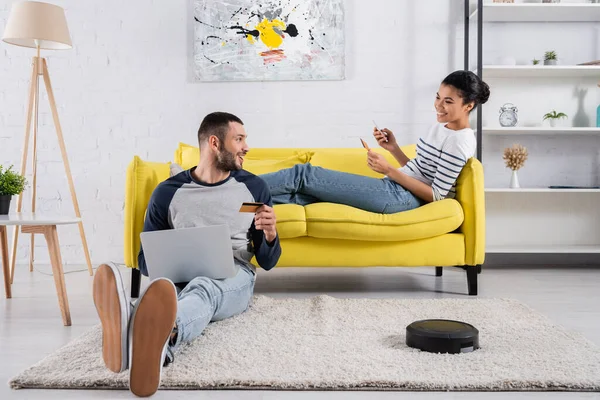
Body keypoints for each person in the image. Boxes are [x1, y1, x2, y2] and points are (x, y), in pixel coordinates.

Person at [92, 112, 281, 397]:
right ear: (215, 143)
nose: (246, 147)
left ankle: (148, 328)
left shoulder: (254, 188)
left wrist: (269, 234)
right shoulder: (167, 192)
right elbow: (146, 261)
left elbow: (267, 261)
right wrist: (170, 261)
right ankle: (149, 341)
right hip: (180, 277)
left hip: (234, 275)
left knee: (204, 287)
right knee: (177, 289)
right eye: (239, 139)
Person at [260, 70, 490, 214]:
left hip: (401, 197)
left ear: (468, 105)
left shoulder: (460, 142)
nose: (438, 106)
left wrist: (390, 169)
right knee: (298, 196)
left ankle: (231, 189)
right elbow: (421, 171)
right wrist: (394, 149)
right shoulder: (441, 127)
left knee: (304, 175)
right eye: (438, 97)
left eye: (447, 101)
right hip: (396, 189)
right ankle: (235, 207)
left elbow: (438, 195)